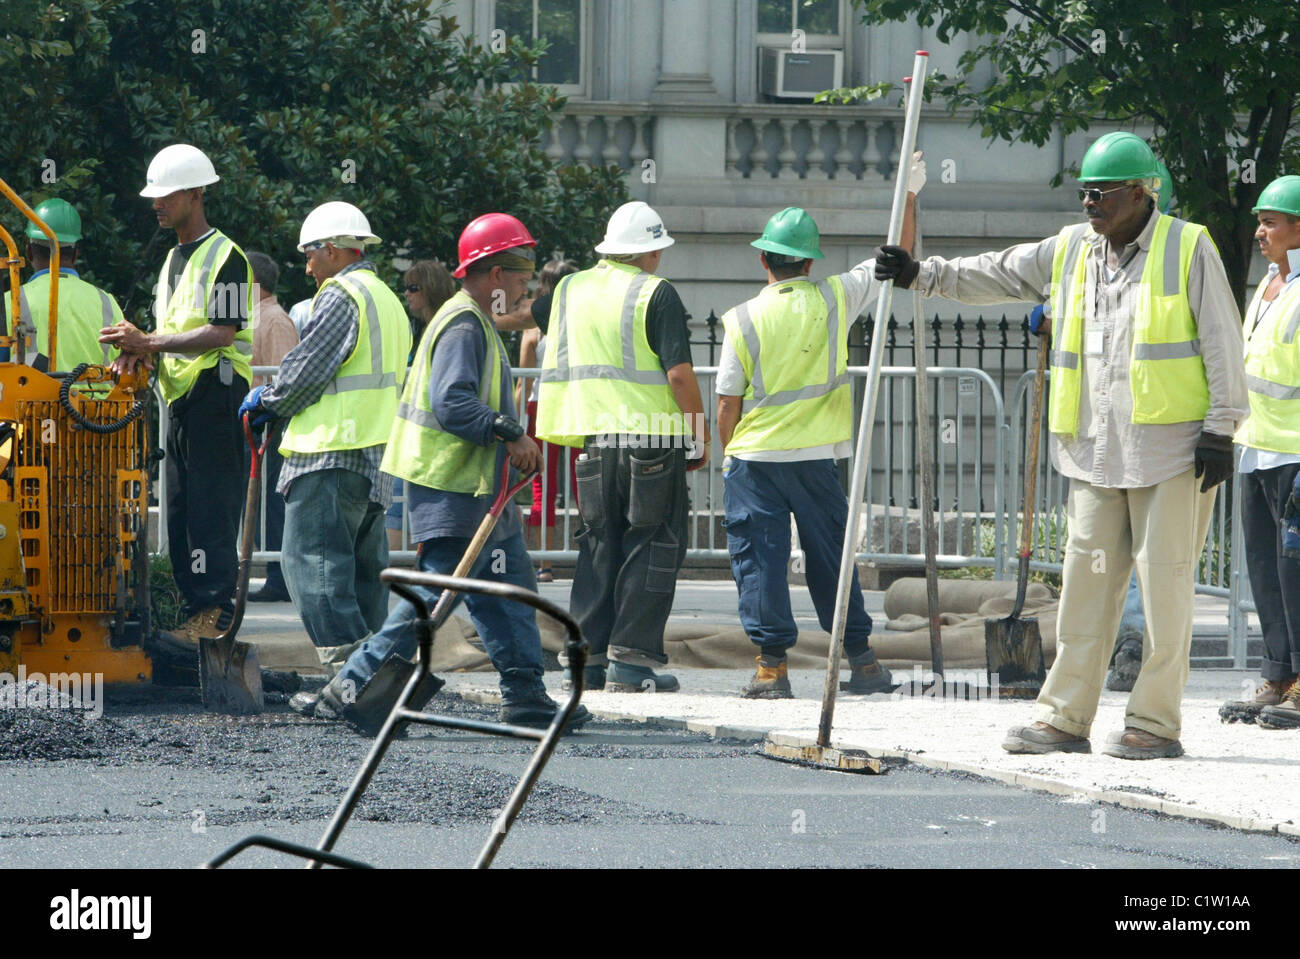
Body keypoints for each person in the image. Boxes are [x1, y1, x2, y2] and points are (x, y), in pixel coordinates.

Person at [876, 132, 1249, 759]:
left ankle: (1154, 724)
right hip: (1096, 455)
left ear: (1140, 193)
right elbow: (1000, 271)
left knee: (1165, 593)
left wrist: (1221, 428)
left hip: (1171, 456)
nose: (1088, 203)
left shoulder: (1188, 247)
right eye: (1084, 191)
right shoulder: (1075, 249)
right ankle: (1065, 717)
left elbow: (1221, 339)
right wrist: (923, 274)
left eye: (1100, 192)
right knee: (1085, 592)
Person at [289, 213, 590, 733]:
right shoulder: (463, 324)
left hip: (472, 488)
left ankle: (525, 694)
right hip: (452, 488)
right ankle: (353, 686)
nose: (524, 285)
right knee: (432, 598)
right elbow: (451, 402)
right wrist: (508, 431)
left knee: (508, 589)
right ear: (494, 273)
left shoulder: (475, 321)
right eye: (520, 274)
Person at [718, 159, 924, 700]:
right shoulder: (837, 297)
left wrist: (728, 455)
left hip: (755, 461)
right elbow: (894, 258)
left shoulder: (740, 318)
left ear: (764, 258)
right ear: (809, 261)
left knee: (758, 561)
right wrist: (909, 195)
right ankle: (861, 661)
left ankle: (771, 670)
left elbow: (726, 403)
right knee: (832, 558)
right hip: (815, 459)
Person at [529, 201, 709, 693]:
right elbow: (678, 374)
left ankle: (586, 661)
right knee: (651, 547)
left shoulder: (569, 289)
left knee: (599, 547)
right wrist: (700, 432)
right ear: (649, 251)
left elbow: (531, 316)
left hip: (595, 444)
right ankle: (632, 664)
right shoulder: (657, 294)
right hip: (652, 441)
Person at [239, 202, 410, 673]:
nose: (307, 265)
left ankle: (354, 677)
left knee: (312, 568)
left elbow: (308, 370)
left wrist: (267, 401)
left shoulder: (341, 295)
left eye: (311, 254)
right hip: (374, 456)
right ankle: (378, 673)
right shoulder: (386, 298)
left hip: (330, 453)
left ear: (333, 250)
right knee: (361, 577)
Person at [100, 144, 254, 644]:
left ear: (195, 193)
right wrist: (141, 351)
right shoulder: (172, 260)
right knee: (184, 509)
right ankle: (196, 613)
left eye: (166, 195)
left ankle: (215, 612)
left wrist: (149, 342)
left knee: (211, 508)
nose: (156, 204)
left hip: (217, 396)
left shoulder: (226, 256)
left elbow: (223, 332)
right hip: (184, 399)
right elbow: (174, 332)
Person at [1219, 175, 1300, 730]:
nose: (1260, 230)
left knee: (1298, 573)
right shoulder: (1269, 284)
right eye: (1261, 219)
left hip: (1295, 454)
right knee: (1266, 570)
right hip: (1255, 448)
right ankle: (1279, 674)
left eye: (1271, 221)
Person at [4, 198, 122, 376]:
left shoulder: (10, 302)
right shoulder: (107, 302)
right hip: (98, 403)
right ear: (75, 254)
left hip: (33, 403)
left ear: (28, 252)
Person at [516, 258, 580, 581]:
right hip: (578, 407)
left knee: (543, 487)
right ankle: (591, 558)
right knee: (584, 483)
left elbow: (523, 382)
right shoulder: (584, 326)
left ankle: (545, 565)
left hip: (540, 408)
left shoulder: (534, 330)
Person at [387, 259, 455, 551]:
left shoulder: (447, 328)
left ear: (430, 288)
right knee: (395, 508)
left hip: (434, 443)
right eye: (406, 288)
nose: (407, 294)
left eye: (413, 288)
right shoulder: (416, 328)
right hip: (411, 437)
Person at [244, 251, 299, 603]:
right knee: (265, 506)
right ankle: (275, 575)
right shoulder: (257, 317)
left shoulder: (275, 320)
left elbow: (281, 376)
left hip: (271, 427)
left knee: (274, 506)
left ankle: (279, 578)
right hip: (260, 426)